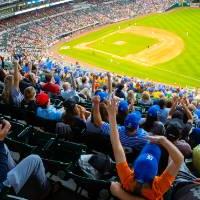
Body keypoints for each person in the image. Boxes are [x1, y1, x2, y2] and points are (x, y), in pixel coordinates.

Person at [106, 98, 184, 200]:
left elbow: (116, 145)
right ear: (156, 174)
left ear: (133, 168)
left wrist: (112, 116)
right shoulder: (157, 188)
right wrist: (163, 140)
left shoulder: (127, 179)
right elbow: (179, 159)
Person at [0, 120, 50, 197]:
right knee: (35, 159)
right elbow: (2, 176)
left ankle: (22, 176)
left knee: (4, 148)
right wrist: (0, 140)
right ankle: (46, 190)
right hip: (3, 187)